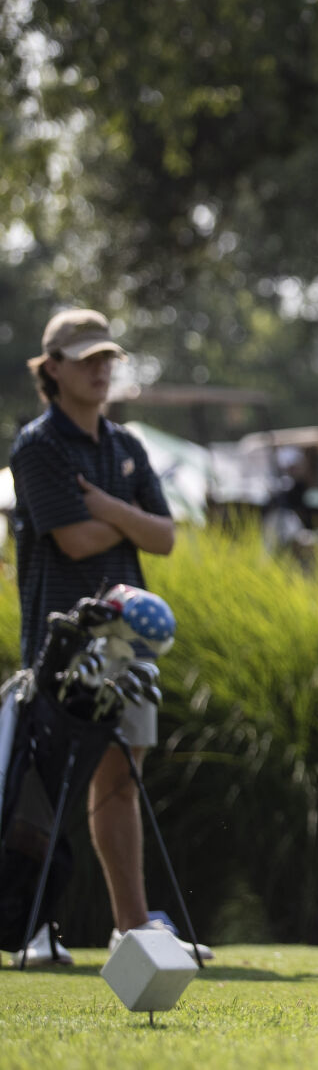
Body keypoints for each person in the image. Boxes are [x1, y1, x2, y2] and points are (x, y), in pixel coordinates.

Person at [7, 308, 212, 963]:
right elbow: (73, 539)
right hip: (63, 638)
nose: (100, 369)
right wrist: (130, 519)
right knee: (46, 784)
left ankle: (130, 927)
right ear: (53, 369)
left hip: (130, 642)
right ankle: (31, 923)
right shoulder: (37, 445)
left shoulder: (126, 448)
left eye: (107, 359)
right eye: (86, 358)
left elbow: (167, 534)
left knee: (121, 771)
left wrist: (109, 508)